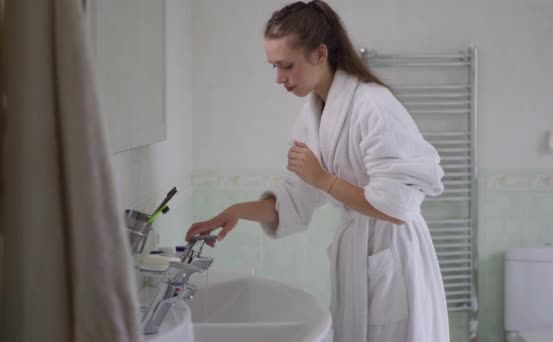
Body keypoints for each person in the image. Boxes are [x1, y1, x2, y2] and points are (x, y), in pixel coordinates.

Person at [186, 1, 450, 341]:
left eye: (286, 65)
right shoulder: (314, 116)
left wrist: (324, 180)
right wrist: (236, 211)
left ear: (319, 54)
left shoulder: (374, 105)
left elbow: (399, 206)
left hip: (394, 255)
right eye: (274, 67)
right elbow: (295, 198)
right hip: (360, 254)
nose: (279, 78)